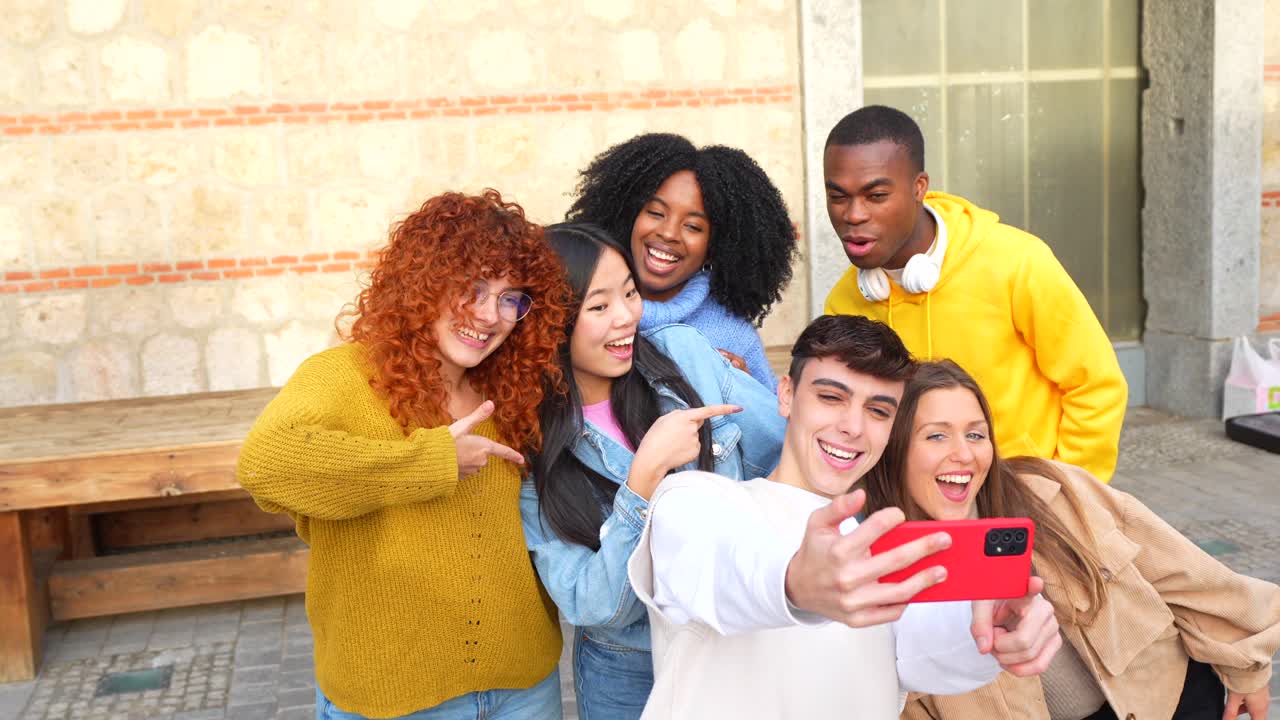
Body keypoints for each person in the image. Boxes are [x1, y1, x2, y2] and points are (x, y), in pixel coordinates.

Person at [236, 191, 571, 720]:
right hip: (395, 700)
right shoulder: (343, 375)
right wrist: (432, 462)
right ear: (425, 284)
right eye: (473, 287)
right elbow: (266, 464)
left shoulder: (512, 389)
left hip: (524, 687)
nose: (490, 315)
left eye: (512, 298)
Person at [627, 315, 1063, 719]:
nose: (853, 426)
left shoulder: (884, 546)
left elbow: (922, 652)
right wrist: (794, 583)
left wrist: (996, 626)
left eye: (878, 411)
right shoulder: (695, 500)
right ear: (786, 395)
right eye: (832, 397)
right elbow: (719, 569)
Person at [863, 360, 1280, 720]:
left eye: (975, 434)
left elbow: (1182, 573)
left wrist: (1248, 666)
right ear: (895, 449)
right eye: (937, 436)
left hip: (1168, 701)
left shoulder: (1051, 489)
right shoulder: (876, 568)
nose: (965, 454)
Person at [520, 222, 787, 720]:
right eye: (599, 307)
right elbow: (593, 606)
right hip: (628, 668)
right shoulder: (531, 446)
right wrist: (643, 478)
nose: (625, 318)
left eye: (629, 293)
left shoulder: (685, 357)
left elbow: (787, 453)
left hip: (733, 638)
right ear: (551, 323)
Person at [821, 105, 1127, 481]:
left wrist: (1061, 494)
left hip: (1026, 503)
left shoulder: (1016, 262)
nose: (853, 215)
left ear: (919, 188)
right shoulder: (844, 302)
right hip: (916, 510)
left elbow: (1096, 385)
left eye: (876, 195)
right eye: (838, 197)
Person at [567, 132, 797, 390]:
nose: (668, 233)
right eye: (655, 213)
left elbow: (774, 426)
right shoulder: (573, 307)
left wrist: (745, 391)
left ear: (714, 247)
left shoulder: (732, 337)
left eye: (693, 226)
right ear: (628, 217)